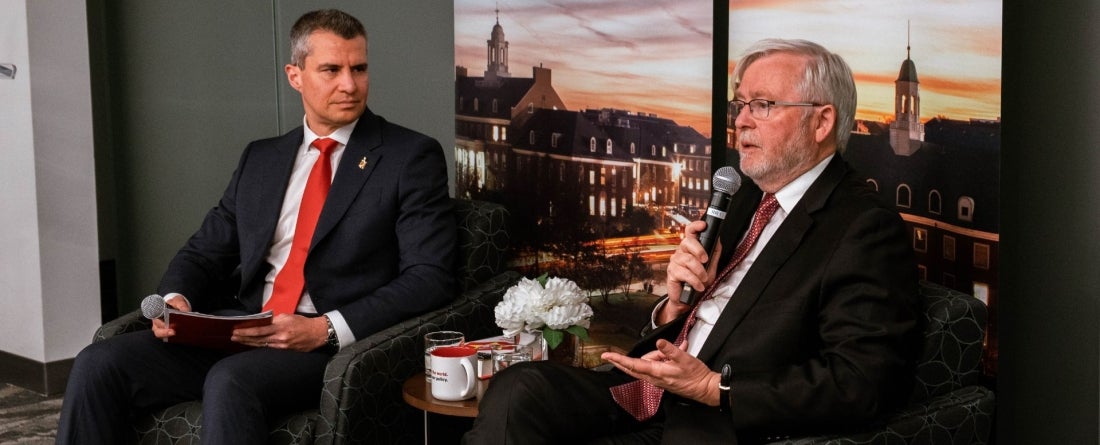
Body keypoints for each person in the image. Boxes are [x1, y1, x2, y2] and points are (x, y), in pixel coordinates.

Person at [463, 38, 921, 444]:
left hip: (712, 420)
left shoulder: (864, 227)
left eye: (762, 105)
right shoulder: (744, 200)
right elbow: (709, 314)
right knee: (517, 391)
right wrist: (673, 306)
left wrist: (715, 388)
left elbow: (863, 381)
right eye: (739, 105)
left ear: (821, 123)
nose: (740, 121)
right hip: (647, 389)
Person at [57, 9, 457, 445]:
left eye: (358, 68)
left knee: (231, 381)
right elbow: (205, 250)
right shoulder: (262, 159)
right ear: (295, 75)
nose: (350, 84)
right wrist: (176, 300)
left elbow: (429, 277)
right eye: (331, 69)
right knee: (98, 363)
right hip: (242, 327)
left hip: (324, 346)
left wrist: (323, 328)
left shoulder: (408, 157)